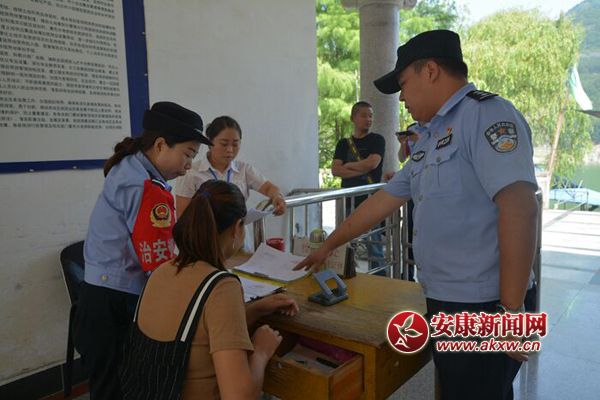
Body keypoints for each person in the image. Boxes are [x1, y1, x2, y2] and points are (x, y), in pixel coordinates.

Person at [295, 30, 538, 400]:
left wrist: (511, 310)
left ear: (431, 71)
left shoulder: (486, 115)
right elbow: (383, 200)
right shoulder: (431, 137)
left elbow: (520, 207)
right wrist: (328, 245)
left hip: (486, 303)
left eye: (404, 84)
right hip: (447, 298)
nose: (401, 97)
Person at [74, 101, 213, 400]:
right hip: (114, 305)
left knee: (111, 387)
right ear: (161, 145)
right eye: (188, 154)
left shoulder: (131, 168)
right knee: (117, 389)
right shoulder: (145, 187)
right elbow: (159, 265)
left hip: (100, 298)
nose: (189, 165)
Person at [124, 180, 299, 399]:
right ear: (237, 228)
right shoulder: (221, 287)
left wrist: (256, 309)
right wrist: (261, 352)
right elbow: (239, 397)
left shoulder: (162, 271)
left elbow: (198, 330)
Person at [175, 116, 286, 217]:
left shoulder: (244, 169)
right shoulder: (191, 173)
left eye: (235, 144)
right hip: (206, 232)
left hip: (238, 231)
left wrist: (277, 197)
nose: (230, 150)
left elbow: (269, 188)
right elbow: (183, 217)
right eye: (224, 144)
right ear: (209, 142)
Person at [331, 101, 386, 274]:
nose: (368, 119)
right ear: (353, 118)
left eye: (370, 116)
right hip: (349, 202)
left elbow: (372, 164)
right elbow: (335, 170)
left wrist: (348, 165)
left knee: (374, 246)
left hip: (371, 201)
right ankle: (348, 275)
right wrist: (361, 167)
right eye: (363, 115)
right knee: (347, 244)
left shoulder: (377, 140)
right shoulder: (343, 144)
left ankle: (380, 280)